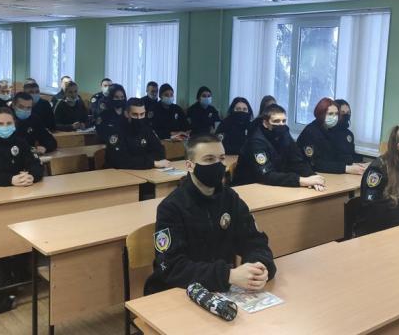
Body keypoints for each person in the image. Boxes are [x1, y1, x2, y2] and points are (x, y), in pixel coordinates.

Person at [144, 135, 276, 294]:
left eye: (221, 158)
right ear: (190, 165)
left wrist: (258, 267)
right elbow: (172, 267)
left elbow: (254, 240)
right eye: (209, 159)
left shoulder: (230, 198)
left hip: (221, 290)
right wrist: (228, 275)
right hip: (178, 291)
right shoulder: (171, 207)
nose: (218, 165)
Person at [234, 104, 326, 189]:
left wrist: (312, 176)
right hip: (248, 186)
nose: (281, 124)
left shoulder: (284, 134)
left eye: (284, 121)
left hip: (272, 184)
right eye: (276, 121)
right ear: (265, 123)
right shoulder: (256, 141)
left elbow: (297, 161)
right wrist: (302, 181)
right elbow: (266, 175)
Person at [0, 107, 44, 187]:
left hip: (21, 188)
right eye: (0, 124)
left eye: (9, 123)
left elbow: (36, 165)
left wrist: (31, 176)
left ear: (14, 123)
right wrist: (10, 179)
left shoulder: (21, 143)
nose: (5, 127)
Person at [296, 97, 366, 175]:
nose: (334, 117)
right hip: (305, 174)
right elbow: (315, 163)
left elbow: (335, 156)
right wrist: (346, 168)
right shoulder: (311, 131)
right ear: (321, 114)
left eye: (336, 114)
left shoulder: (331, 130)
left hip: (327, 173)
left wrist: (353, 163)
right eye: (330, 114)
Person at [104, 98, 169, 170]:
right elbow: (121, 161)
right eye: (135, 114)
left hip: (144, 171)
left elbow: (160, 153)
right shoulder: (116, 131)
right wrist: (152, 163)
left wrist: (140, 161)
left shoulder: (146, 129)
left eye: (142, 114)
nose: (139, 118)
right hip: (117, 173)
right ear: (126, 114)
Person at [334, 99, 361, 163]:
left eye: (348, 112)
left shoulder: (349, 134)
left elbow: (351, 154)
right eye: (342, 112)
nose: (346, 115)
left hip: (349, 166)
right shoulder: (328, 132)